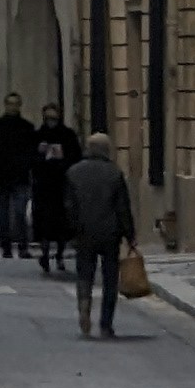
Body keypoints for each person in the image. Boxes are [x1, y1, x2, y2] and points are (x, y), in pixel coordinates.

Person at [63, 130, 137, 338]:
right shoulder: (114, 173)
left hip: (84, 232)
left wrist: (73, 230)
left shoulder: (73, 172)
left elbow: (69, 206)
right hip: (110, 234)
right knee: (110, 280)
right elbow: (123, 207)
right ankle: (106, 324)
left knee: (84, 274)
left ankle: (84, 307)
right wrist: (129, 234)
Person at [0, 94, 38, 258]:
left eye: (16, 104)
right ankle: (6, 246)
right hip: (1, 176)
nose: (13, 107)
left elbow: (33, 155)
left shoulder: (27, 127)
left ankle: (22, 245)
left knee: (19, 212)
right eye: (10, 104)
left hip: (19, 176)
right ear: (5, 105)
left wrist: (32, 174)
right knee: (3, 214)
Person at [28, 103, 78, 276]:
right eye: (48, 118)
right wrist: (40, 155)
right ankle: (45, 252)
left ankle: (60, 254)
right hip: (42, 185)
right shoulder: (37, 136)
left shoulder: (68, 135)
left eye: (54, 118)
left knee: (62, 222)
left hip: (61, 185)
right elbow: (30, 159)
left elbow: (75, 158)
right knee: (43, 221)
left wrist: (61, 158)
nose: (51, 122)